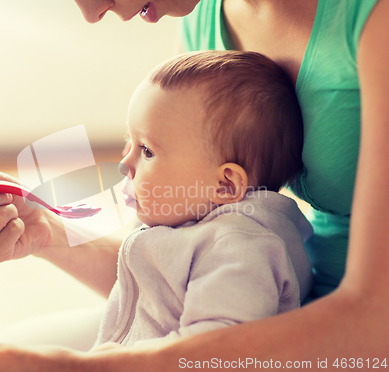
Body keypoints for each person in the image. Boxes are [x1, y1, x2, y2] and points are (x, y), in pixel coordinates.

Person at [0, 0, 389, 369]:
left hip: (346, 342)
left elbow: (371, 327)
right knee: (4, 347)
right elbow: (172, 278)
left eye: (146, 151)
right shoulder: (204, 22)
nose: (91, 12)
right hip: (287, 320)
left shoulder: (372, 21)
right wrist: (48, 233)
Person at [94, 50, 312, 347]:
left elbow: (213, 351)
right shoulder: (180, 218)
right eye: (127, 143)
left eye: (147, 151)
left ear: (224, 185)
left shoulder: (240, 250)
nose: (124, 163)